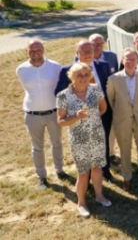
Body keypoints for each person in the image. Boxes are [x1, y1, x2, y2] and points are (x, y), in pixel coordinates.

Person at [56, 62, 112, 217]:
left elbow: (103, 107)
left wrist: (93, 120)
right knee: (83, 172)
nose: (83, 77)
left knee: (97, 168)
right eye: (79, 75)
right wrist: (76, 117)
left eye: (86, 74)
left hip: (97, 135)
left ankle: (99, 196)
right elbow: (61, 121)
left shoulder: (95, 89)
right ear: (72, 76)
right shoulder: (63, 96)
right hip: (79, 139)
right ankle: (81, 202)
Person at [55, 40, 115, 182]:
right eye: (84, 51)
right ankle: (85, 178)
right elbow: (59, 92)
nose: (88, 54)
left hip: (102, 111)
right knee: (83, 146)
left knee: (102, 140)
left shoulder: (103, 66)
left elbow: (107, 88)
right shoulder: (67, 70)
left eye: (91, 51)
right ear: (77, 53)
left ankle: (105, 170)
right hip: (79, 118)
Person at [16, 39, 68, 190]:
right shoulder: (21, 70)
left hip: (54, 112)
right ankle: (42, 176)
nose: (35, 53)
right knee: (37, 147)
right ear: (27, 51)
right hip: (32, 114)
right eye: (31, 50)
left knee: (57, 143)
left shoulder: (55, 67)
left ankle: (59, 170)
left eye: (38, 49)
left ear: (43, 49)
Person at [107, 48, 138, 191]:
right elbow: (111, 100)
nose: (130, 62)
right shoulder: (113, 79)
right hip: (122, 119)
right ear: (122, 60)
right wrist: (121, 113)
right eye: (127, 59)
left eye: (133, 59)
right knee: (125, 149)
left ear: (137, 61)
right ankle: (127, 177)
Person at [89, 33, 120, 165]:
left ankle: (110, 153)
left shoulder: (111, 57)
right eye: (93, 44)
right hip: (90, 103)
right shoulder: (81, 58)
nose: (96, 46)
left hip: (108, 99)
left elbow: (116, 75)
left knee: (110, 128)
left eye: (100, 44)